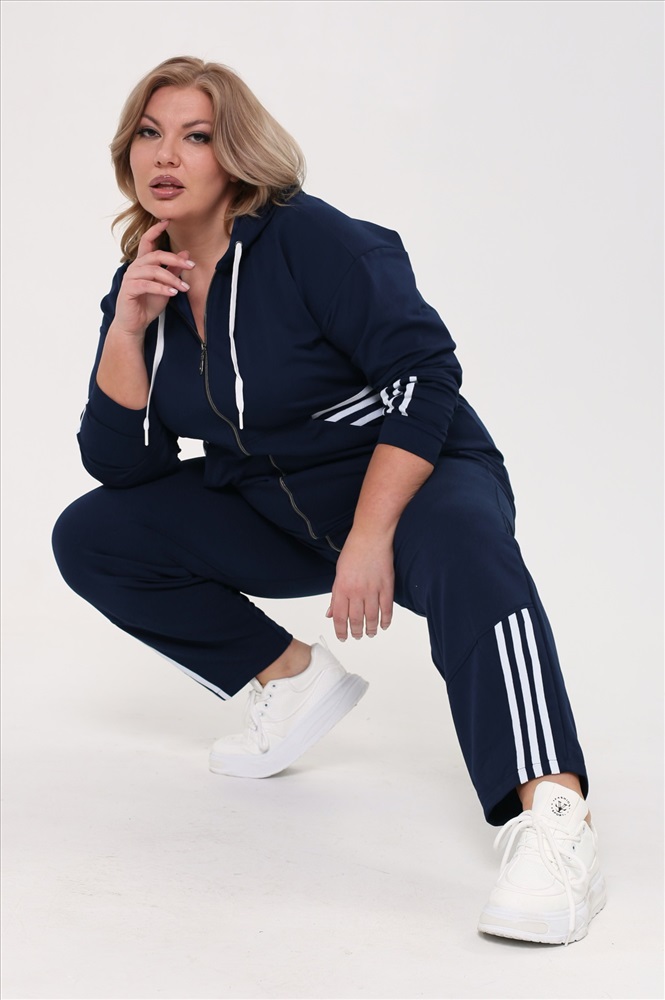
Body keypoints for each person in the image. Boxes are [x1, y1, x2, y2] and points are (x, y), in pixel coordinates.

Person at [52, 56, 606, 945]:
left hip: (413, 479)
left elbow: (425, 375)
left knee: (469, 556)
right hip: (274, 502)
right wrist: (126, 326)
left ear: (235, 151)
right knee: (93, 535)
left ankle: (553, 818)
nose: (167, 155)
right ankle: (292, 679)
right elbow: (122, 468)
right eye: (149, 134)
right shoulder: (145, 279)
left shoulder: (311, 240)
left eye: (196, 136)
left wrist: (372, 533)